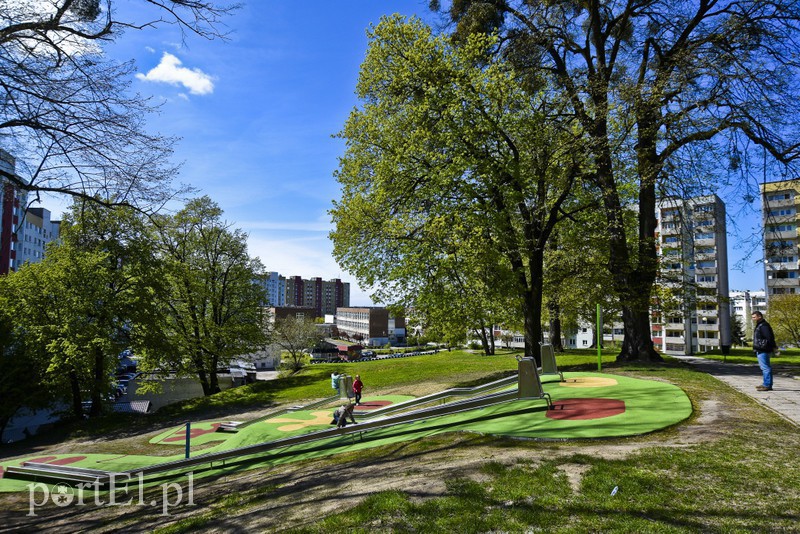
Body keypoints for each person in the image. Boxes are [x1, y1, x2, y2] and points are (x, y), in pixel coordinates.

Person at [751, 311, 776, 391]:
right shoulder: (760, 325)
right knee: (764, 367)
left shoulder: (763, 325)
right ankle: (765, 383)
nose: (753, 319)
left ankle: (767, 385)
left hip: (763, 348)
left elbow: (769, 337)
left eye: (754, 317)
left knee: (765, 367)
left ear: (759, 316)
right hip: (760, 348)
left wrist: (773, 347)